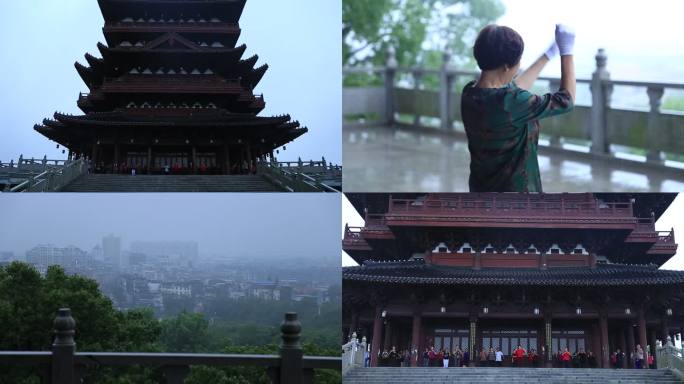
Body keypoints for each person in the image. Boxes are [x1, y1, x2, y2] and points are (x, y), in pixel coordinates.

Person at [461, 24, 576, 192]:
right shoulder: (511, 102)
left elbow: (512, 90)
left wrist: (548, 54)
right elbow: (567, 100)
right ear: (506, 66)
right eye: (518, 61)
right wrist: (567, 52)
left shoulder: (470, 92)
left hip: (481, 192)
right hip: (516, 200)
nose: (519, 66)